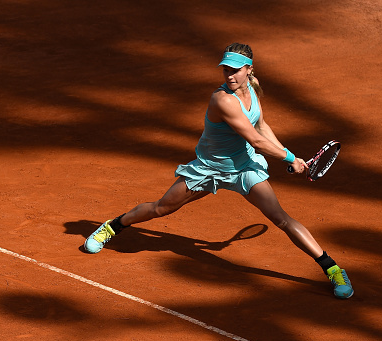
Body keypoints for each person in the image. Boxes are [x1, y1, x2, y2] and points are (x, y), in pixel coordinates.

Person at [84, 43, 353, 299]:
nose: (229, 75)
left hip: (244, 168)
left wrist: (286, 156)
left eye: (235, 70)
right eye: (226, 69)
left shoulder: (254, 88)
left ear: (249, 69)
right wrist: (291, 157)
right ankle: (112, 227)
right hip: (209, 169)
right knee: (161, 209)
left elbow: (261, 126)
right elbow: (255, 140)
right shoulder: (222, 100)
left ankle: (332, 270)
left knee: (281, 218)